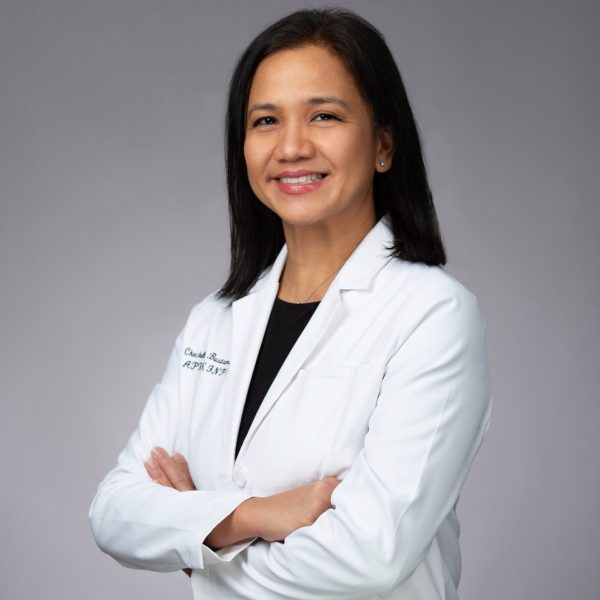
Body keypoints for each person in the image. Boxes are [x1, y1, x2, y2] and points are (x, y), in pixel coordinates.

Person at [89, 7, 491, 599]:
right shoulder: (214, 321)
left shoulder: (432, 315)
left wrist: (197, 536)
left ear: (383, 144)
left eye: (324, 116)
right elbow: (114, 512)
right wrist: (254, 514)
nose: (292, 146)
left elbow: (369, 558)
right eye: (266, 121)